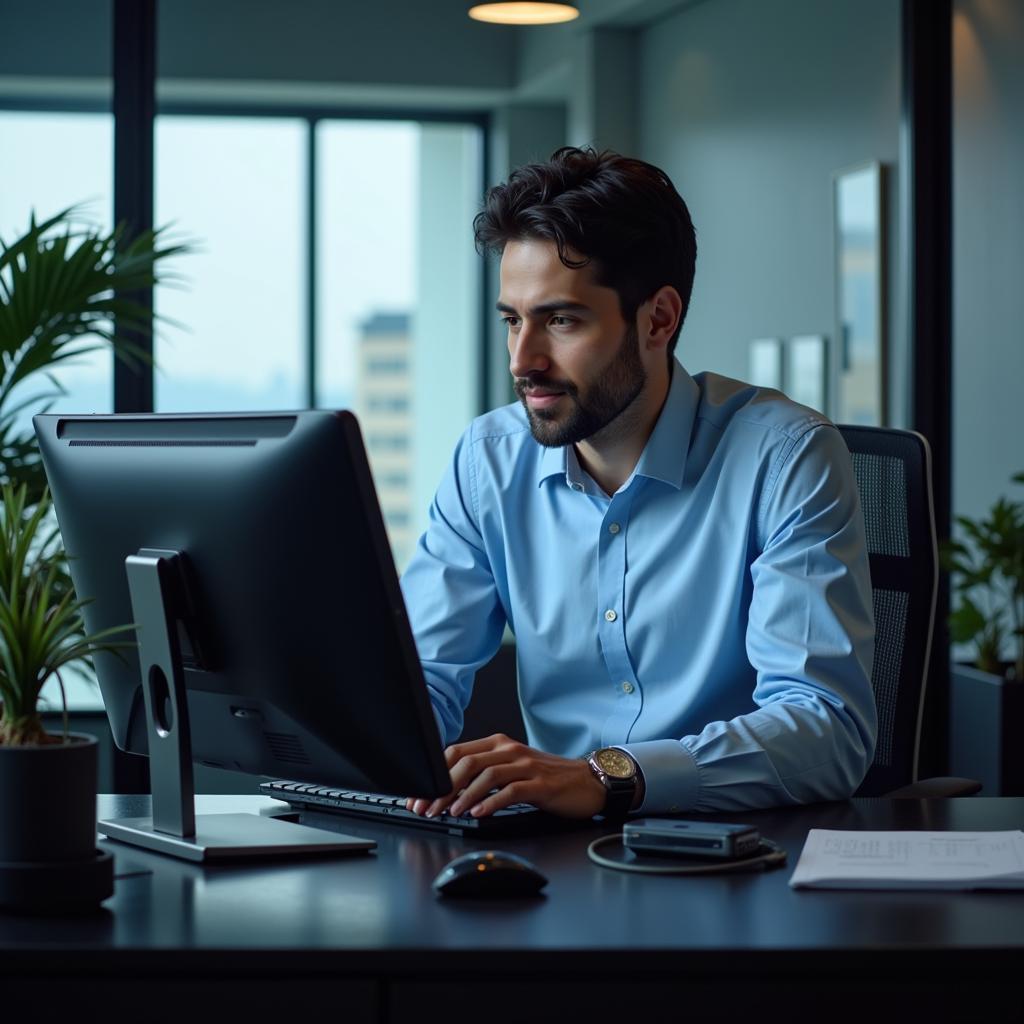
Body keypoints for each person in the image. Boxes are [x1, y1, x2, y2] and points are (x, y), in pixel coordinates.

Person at [401, 147, 876, 822]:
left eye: (561, 320)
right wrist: (389, 745)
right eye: (512, 320)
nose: (523, 360)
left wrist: (607, 778)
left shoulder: (785, 456)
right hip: (553, 866)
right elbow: (422, 677)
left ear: (658, 319)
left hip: (743, 862)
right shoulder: (487, 460)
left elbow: (827, 730)